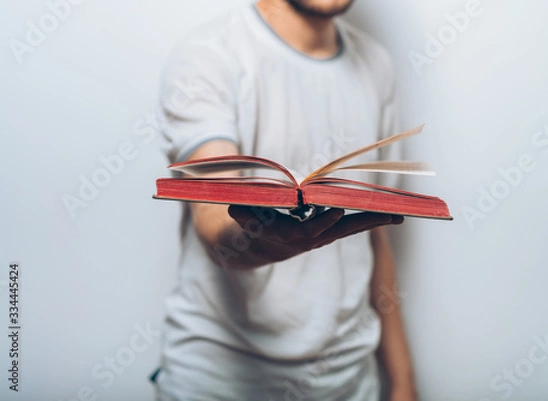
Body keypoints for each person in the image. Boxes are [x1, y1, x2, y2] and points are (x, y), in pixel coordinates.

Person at [154, 0, 418, 400]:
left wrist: (402, 384)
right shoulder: (207, 55)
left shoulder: (377, 65)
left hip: (348, 381)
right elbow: (212, 215)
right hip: (218, 381)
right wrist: (263, 241)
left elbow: (374, 237)